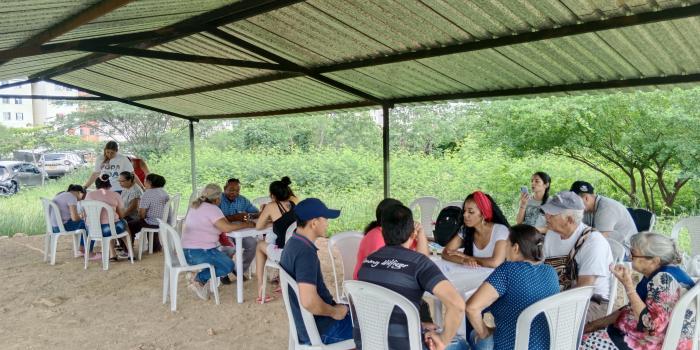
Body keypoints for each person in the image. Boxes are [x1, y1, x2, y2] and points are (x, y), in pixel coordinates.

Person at [356, 204, 467, 350]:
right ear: (413, 233)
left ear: (382, 232)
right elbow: (457, 305)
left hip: (369, 344)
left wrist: (419, 325)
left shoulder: (367, 262)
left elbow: (382, 313)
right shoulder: (419, 263)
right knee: (461, 344)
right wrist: (442, 341)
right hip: (407, 346)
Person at [581, 233, 697, 350]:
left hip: (648, 343)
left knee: (578, 343)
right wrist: (594, 324)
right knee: (583, 334)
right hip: (636, 336)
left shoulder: (664, 279)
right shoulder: (664, 273)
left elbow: (652, 327)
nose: (629, 257)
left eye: (633, 254)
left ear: (654, 261)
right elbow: (631, 309)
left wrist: (628, 286)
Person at [465, 224, 559, 350]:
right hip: (546, 345)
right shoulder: (550, 271)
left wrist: (485, 332)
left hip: (511, 346)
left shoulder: (508, 270)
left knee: (472, 335)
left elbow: (471, 308)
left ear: (515, 248)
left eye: (506, 243)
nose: (504, 248)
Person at [279, 198, 353, 345]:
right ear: (314, 223)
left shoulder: (293, 243)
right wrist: (335, 312)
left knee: (353, 310)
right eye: (325, 219)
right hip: (322, 329)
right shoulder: (305, 253)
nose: (327, 223)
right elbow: (309, 301)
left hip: (307, 325)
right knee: (375, 328)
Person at [353, 198, 435, 330]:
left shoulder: (395, 234)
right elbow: (383, 273)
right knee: (418, 304)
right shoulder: (377, 236)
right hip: (376, 297)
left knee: (420, 304)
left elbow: (422, 258)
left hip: (386, 292)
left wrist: (420, 234)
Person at [541, 191, 614, 322]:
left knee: (549, 321)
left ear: (569, 219)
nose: (546, 217)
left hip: (592, 302)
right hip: (558, 295)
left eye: (551, 214)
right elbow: (543, 270)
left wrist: (551, 304)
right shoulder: (552, 234)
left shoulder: (593, 242)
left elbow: (583, 291)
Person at [181, 184, 254, 300]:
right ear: (218, 198)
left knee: (224, 259)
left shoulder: (195, 206)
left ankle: (199, 279)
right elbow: (226, 228)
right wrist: (246, 224)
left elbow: (223, 224)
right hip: (200, 253)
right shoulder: (212, 209)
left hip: (187, 252)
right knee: (228, 265)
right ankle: (199, 279)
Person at [254, 177, 296, 303]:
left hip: (282, 254)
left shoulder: (271, 206)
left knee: (260, 245)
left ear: (272, 195)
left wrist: (266, 215)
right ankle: (282, 284)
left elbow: (258, 226)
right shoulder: (294, 205)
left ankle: (261, 290)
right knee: (277, 240)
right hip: (295, 251)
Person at [442, 191, 510, 268]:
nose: (465, 214)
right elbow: (445, 253)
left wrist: (466, 257)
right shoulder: (465, 229)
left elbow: (495, 263)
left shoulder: (500, 230)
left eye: (470, 212)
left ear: (484, 214)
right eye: (464, 211)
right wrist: (463, 260)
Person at [570, 181, 637, 244]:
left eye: (575, 201)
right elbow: (576, 230)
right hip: (610, 245)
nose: (573, 204)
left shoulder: (606, 208)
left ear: (586, 198)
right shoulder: (586, 209)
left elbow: (599, 240)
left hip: (627, 249)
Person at [84, 174, 130, 261]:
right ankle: (130, 252)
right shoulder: (115, 194)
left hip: (93, 230)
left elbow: (86, 213)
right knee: (122, 223)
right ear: (109, 184)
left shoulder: (89, 195)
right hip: (110, 229)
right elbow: (121, 215)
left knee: (110, 224)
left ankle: (112, 254)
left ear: (96, 185)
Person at [219, 178, 258, 274]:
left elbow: (256, 212)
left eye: (237, 190)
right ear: (225, 188)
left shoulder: (242, 200)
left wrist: (248, 216)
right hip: (223, 232)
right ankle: (223, 273)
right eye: (231, 190)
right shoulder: (218, 199)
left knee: (253, 244)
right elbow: (216, 220)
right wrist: (235, 217)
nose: (234, 193)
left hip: (239, 231)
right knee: (230, 248)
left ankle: (239, 270)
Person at [129, 173, 169, 252]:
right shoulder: (164, 192)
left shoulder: (147, 194)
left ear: (149, 182)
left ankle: (127, 249)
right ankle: (155, 246)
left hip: (154, 222)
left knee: (128, 226)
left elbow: (142, 214)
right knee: (147, 219)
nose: (144, 181)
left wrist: (139, 216)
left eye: (145, 180)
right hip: (163, 220)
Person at [51, 184, 87, 255]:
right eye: (82, 196)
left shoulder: (61, 194)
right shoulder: (72, 197)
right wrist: (82, 216)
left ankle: (81, 247)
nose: (81, 199)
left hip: (53, 227)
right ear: (79, 192)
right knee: (86, 224)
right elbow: (75, 218)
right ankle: (82, 249)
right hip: (62, 227)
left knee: (82, 223)